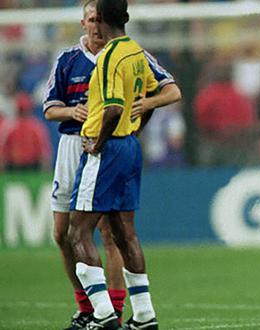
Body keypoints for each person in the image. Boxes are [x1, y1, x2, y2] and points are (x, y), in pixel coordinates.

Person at [43, 1, 180, 329]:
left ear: (100, 20)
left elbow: (116, 108)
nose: (92, 26)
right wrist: (137, 125)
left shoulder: (108, 58)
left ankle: (102, 313)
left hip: (103, 147)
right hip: (127, 146)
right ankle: (144, 315)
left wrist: (98, 143)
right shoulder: (133, 51)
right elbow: (145, 96)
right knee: (124, 231)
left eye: (96, 19)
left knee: (79, 231)